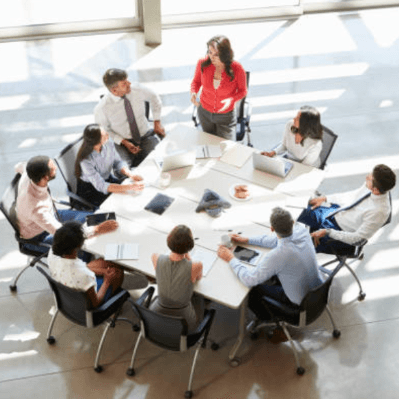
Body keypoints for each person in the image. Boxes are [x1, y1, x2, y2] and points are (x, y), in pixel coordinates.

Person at [217, 207, 322, 319]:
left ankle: (266, 318)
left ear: (272, 229)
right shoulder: (302, 231)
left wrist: (231, 258)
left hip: (301, 306)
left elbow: (249, 279)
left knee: (252, 290)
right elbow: (276, 240)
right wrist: (248, 240)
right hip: (318, 293)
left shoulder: (278, 255)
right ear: (292, 222)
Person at [15, 155, 118, 254]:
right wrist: (97, 229)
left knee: (96, 217)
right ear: (46, 177)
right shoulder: (37, 209)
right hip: (40, 236)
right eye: (52, 168)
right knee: (83, 248)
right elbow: (65, 234)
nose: (55, 167)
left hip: (52, 214)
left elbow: (19, 166)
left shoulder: (29, 173)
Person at [297, 164, 396, 254]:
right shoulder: (370, 185)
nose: (366, 177)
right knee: (296, 209)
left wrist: (329, 232)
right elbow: (351, 197)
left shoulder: (379, 212)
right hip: (334, 214)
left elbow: (357, 238)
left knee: (297, 247)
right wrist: (325, 199)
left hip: (340, 235)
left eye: (370, 178)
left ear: (376, 190)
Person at [94, 68, 165, 167]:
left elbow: (154, 98)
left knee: (161, 160)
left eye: (127, 80)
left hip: (145, 136)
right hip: (122, 142)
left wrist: (157, 122)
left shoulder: (137, 89)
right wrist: (124, 142)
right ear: (114, 90)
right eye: (124, 84)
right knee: (123, 170)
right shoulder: (102, 108)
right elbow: (105, 130)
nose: (129, 83)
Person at [48, 221, 124, 308]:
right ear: (79, 246)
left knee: (105, 263)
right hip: (86, 308)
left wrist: (97, 228)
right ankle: (113, 307)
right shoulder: (84, 274)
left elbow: (82, 268)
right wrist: (107, 281)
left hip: (65, 295)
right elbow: (95, 303)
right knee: (118, 272)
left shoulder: (53, 254)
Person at [190, 35, 247, 141]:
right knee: (210, 146)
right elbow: (196, 82)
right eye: (209, 52)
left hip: (225, 116)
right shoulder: (202, 63)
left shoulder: (237, 68)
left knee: (227, 150)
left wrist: (232, 99)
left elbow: (243, 91)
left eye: (216, 54)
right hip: (204, 113)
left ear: (225, 54)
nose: (211, 56)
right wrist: (193, 92)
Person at [75, 123, 144, 208]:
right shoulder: (85, 161)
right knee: (124, 199)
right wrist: (129, 187)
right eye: (105, 134)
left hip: (107, 180)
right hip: (92, 191)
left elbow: (118, 162)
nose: (108, 135)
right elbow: (101, 186)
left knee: (134, 192)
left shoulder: (108, 143)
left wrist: (130, 174)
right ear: (97, 140)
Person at [150, 225, 203, 331]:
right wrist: (187, 255)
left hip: (156, 314)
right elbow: (198, 278)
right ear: (190, 245)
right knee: (200, 299)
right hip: (184, 321)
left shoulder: (155, 257)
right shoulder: (196, 265)